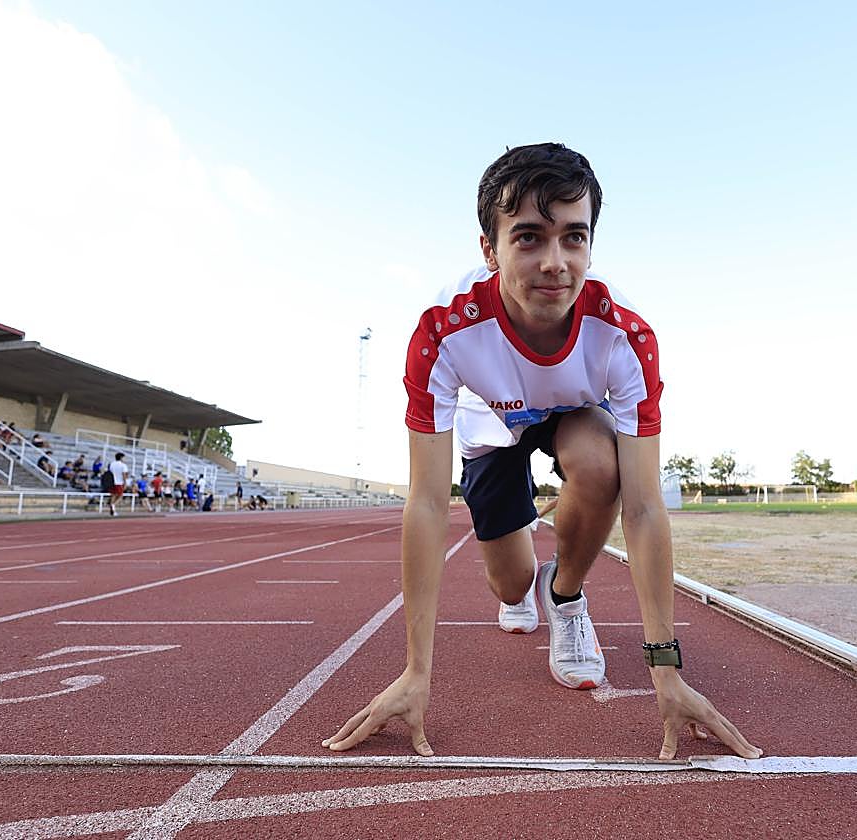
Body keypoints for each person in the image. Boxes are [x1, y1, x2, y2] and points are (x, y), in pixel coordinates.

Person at [323, 143, 760, 761]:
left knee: (602, 464)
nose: (554, 263)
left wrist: (667, 671)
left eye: (573, 238)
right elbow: (424, 502)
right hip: (489, 423)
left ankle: (566, 593)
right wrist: (416, 672)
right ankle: (529, 584)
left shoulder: (624, 336)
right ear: (489, 248)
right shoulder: (444, 330)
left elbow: (643, 508)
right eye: (528, 237)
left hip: (570, 413)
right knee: (509, 589)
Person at [107, 451, 128, 516]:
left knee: (113, 495)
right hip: (119, 482)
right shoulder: (123, 465)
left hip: (112, 482)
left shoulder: (112, 464)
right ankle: (113, 505)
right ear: (121, 458)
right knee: (120, 496)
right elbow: (124, 474)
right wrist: (125, 483)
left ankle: (113, 510)